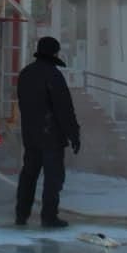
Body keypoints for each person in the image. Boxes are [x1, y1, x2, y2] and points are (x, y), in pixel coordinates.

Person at [15, 36, 81, 229]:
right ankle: (49, 217)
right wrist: (74, 134)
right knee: (53, 178)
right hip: (51, 136)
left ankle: (21, 215)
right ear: (54, 53)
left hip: (30, 135)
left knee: (28, 175)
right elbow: (64, 108)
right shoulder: (53, 75)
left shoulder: (25, 74)